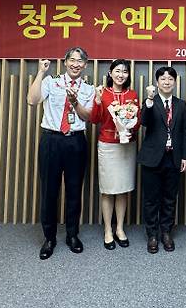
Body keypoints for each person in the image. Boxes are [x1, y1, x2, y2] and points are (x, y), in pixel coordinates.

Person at [26, 47, 94, 260]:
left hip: (76, 141)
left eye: (80, 61)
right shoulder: (51, 82)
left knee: (74, 191)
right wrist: (40, 72)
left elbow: (88, 116)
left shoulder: (89, 89)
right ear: (65, 62)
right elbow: (32, 100)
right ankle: (49, 238)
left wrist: (75, 103)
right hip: (51, 140)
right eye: (72, 60)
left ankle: (72, 235)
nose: (76, 64)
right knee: (49, 190)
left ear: (85, 65)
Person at [75, 59, 140, 250]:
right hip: (108, 145)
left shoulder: (132, 94)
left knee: (123, 188)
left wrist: (131, 126)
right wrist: (96, 101)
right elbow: (95, 119)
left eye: (125, 72)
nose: (121, 75)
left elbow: (137, 121)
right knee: (108, 189)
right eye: (117, 71)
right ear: (110, 73)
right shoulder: (103, 93)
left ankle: (120, 228)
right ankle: (108, 231)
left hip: (127, 145)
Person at [138, 66, 186, 254]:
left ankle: (166, 232)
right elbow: (144, 121)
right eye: (163, 79)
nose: (167, 82)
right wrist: (149, 100)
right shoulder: (150, 102)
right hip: (152, 158)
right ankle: (152, 234)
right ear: (157, 82)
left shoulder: (181, 104)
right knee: (151, 200)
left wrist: (185, 156)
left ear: (175, 82)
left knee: (169, 198)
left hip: (173, 157)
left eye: (170, 79)